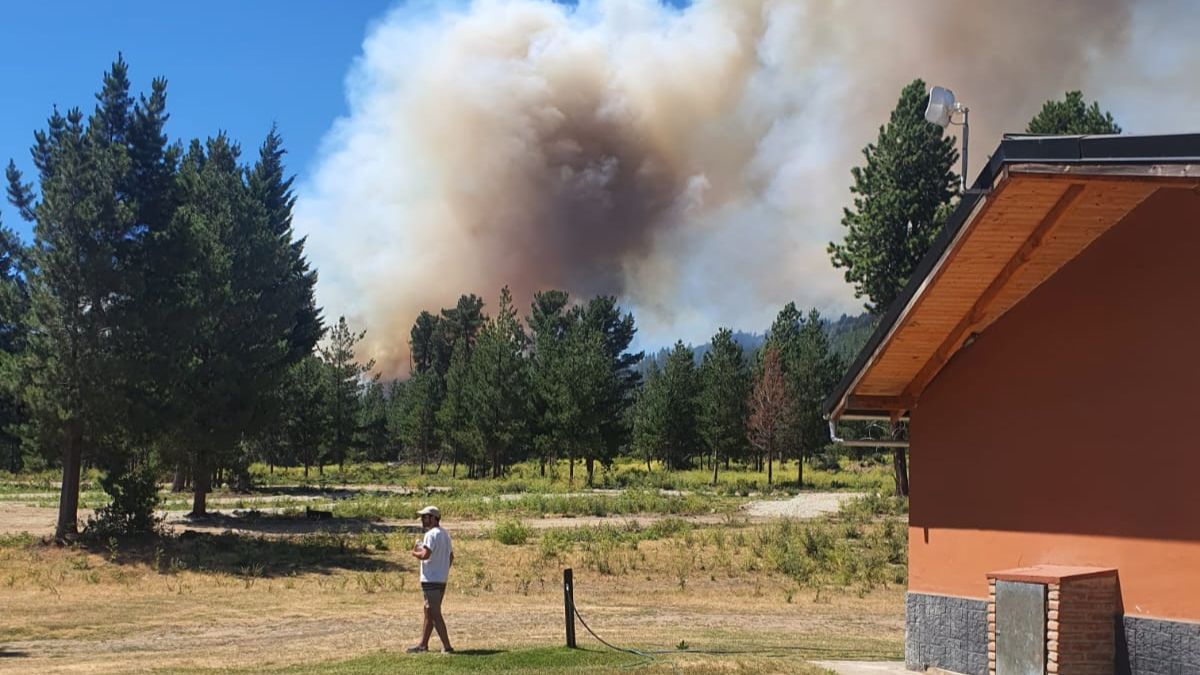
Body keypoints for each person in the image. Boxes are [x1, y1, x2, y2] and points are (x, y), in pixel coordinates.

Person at [407, 505, 454, 653]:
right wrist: (443, 568)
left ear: (433, 518)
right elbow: (450, 556)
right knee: (428, 610)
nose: (422, 520)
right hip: (441, 578)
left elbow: (425, 555)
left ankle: (447, 646)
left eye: (425, 517)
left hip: (430, 579)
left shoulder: (430, 534)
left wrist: (414, 552)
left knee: (434, 612)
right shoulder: (445, 534)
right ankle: (423, 645)